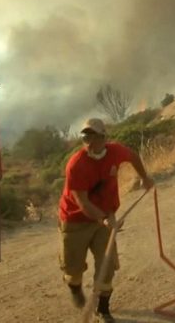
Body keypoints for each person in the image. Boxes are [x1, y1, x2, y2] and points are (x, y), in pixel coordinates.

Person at [58, 118, 154, 323]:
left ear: (104, 137)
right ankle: (74, 287)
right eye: (85, 137)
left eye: (93, 137)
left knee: (107, 265)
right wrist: (104, 219)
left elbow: (134, 157)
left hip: (104, 216)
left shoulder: (116, 151)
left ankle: (102, 310)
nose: (89, 142)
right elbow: (82, 203)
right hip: (75, 220)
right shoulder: (76, 165)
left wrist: (144, 177)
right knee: (73, 269)